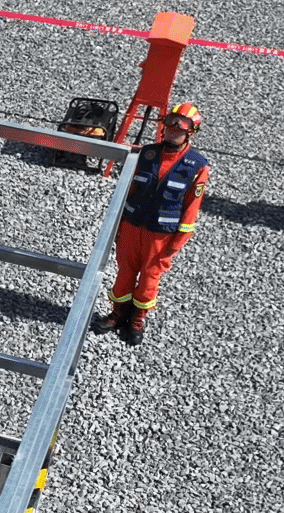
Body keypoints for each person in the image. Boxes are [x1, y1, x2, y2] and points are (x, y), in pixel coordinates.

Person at [88, 102, 210, 347]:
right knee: (125, 272)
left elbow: (191, 209)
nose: (173, 130)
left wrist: (177, 244)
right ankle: (117, 314)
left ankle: (137, 320)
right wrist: (119, 226)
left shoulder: (197, 166)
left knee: (149, 279)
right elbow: (129, 190)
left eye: (180, 127)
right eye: (170, 124)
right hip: (133, 227)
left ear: (191, 132)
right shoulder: (147, 154)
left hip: (161, 236)